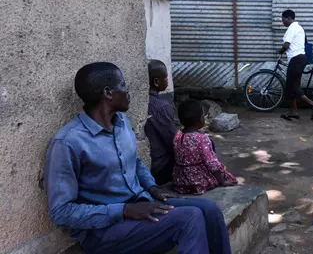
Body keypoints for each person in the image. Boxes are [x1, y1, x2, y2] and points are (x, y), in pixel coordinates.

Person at [43, 62, 231, 254]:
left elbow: (134, 160)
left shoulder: (122, 122)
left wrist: (152, 187)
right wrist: (123, 210)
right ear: (108, 93)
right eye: (123, 85)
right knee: (189, 218)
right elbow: (61, 213)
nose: (128, 91)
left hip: (139, 205)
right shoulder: (67, 143)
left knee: (210, 210)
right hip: (104, 233)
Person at [173, 99, 238, 195]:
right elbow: (212, 164)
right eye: (203, 116)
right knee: (229, 177)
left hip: (180, 179)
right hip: (197, 180)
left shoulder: (178, 136)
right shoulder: (202, 139)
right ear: (199, 120)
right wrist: (222, 181)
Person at [278, 9, 313, 120]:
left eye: (283, 20)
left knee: (293, 87)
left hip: (296, 60)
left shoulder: (291, 28)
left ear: (288, 18)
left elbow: (286, 45)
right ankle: (293, 111)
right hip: (300, 59)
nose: (283, 22)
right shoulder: (299, 28)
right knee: (292, 86)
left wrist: (280, 51)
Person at [144, 60, 178, 185]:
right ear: (156, 82)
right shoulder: (161, 106)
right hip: (160, 168)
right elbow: (173, 141)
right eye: (165, 78)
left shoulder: (143, 102)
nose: (167, 81)